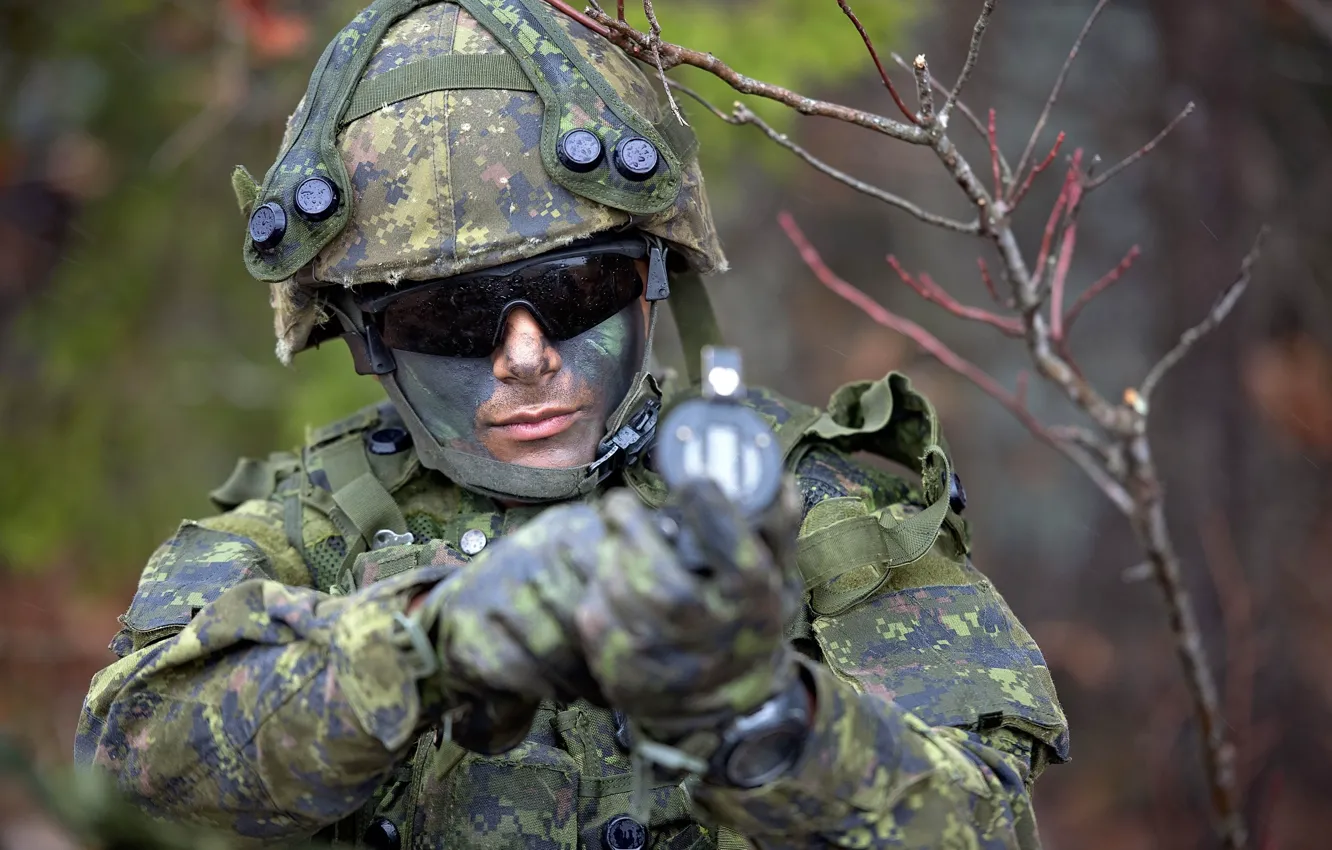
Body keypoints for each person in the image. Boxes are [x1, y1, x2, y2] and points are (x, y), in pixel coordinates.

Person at [74, 1, 1069, 848]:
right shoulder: (313, 527)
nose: (525, 355)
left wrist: (759, 715)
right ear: (370, 340)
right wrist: (426, 644)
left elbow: (983, 820)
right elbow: (130, 757)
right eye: (455, 316)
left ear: (650, 283)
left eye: (574, 290)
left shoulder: (815, 500)